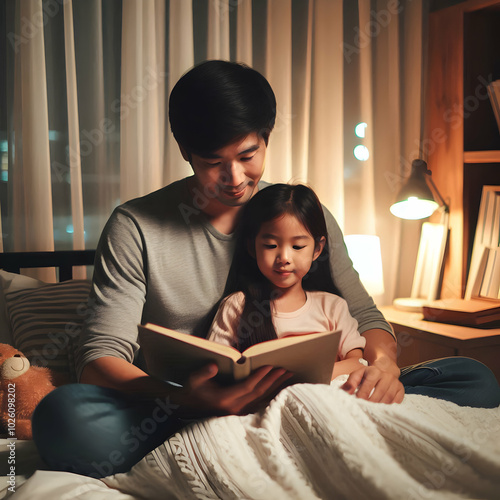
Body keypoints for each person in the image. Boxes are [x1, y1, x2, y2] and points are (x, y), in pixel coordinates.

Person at [32, 60, 500, 479]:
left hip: (316, 393)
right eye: (213, 162)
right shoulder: (135, 226)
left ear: (267, 137)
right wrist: (187, 398)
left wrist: (382, 365)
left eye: (248, 156)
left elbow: (368, 319)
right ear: (184, 149)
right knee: (64, 417)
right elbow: (99, 362)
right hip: (180, 407)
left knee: (471, 376)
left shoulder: (299, 213)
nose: (234, 179)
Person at [207, 182, 372, 382]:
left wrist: (295, 380)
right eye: (271, 245)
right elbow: (216, 369)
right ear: (252, 247)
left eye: (297, 246)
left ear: (317, 249)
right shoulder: (237, 306)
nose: (284, 257)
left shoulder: (332, 307)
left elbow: (357, 363)